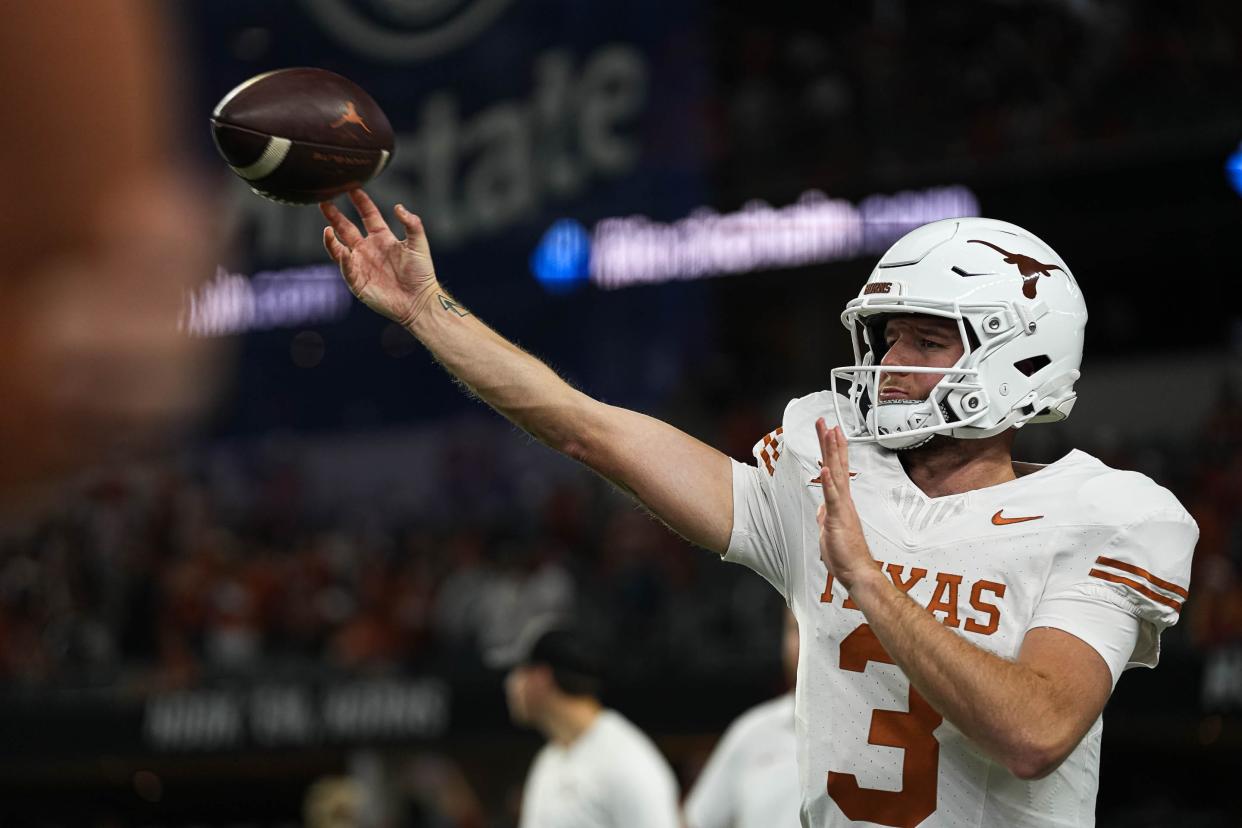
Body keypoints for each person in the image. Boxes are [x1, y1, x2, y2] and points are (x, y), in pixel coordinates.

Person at [319, 190, 1198, 827]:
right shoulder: (832, 467)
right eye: (887, 335)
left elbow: (1035, 732)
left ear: (1025, 360)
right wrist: (429, 314)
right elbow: (592, 430)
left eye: (927, 340)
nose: (890, 360)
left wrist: (867, 581)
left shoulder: (1102, 514)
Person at [491, 618, 680, 828]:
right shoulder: (549, 758)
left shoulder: (627, 760)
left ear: (541, 678)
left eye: (517, 672)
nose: (509, 685)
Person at [684, 607, 801, 828]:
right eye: (797, 628)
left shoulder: (876, 735)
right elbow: (696, 822)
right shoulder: (752, 733)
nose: (806, 642)